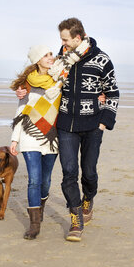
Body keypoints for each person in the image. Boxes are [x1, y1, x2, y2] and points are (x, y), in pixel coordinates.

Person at [16, 17, 119, 242]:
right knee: (69, 174)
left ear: (77, 37)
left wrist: (104, 122)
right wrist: (23, 90)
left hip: (92, 126)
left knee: (89, 173)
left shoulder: (102, 60)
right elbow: (39, 78)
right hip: (65, 126)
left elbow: (112, 93)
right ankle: (76, 220)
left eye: (65, 39)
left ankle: (87, 200)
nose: (61, 43)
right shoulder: (60, 61)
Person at [9, 45, 60, 240]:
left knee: (45, 182)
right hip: (30, 136)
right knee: (34, 180)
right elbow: (21, 111)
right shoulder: (27, 85)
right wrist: (15, 139)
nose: (50, 57)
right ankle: (34, 224)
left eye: (51, 54)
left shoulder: (58, 80)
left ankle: (41, 205)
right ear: (37, 60)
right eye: (46, 55)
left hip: (51, 136)